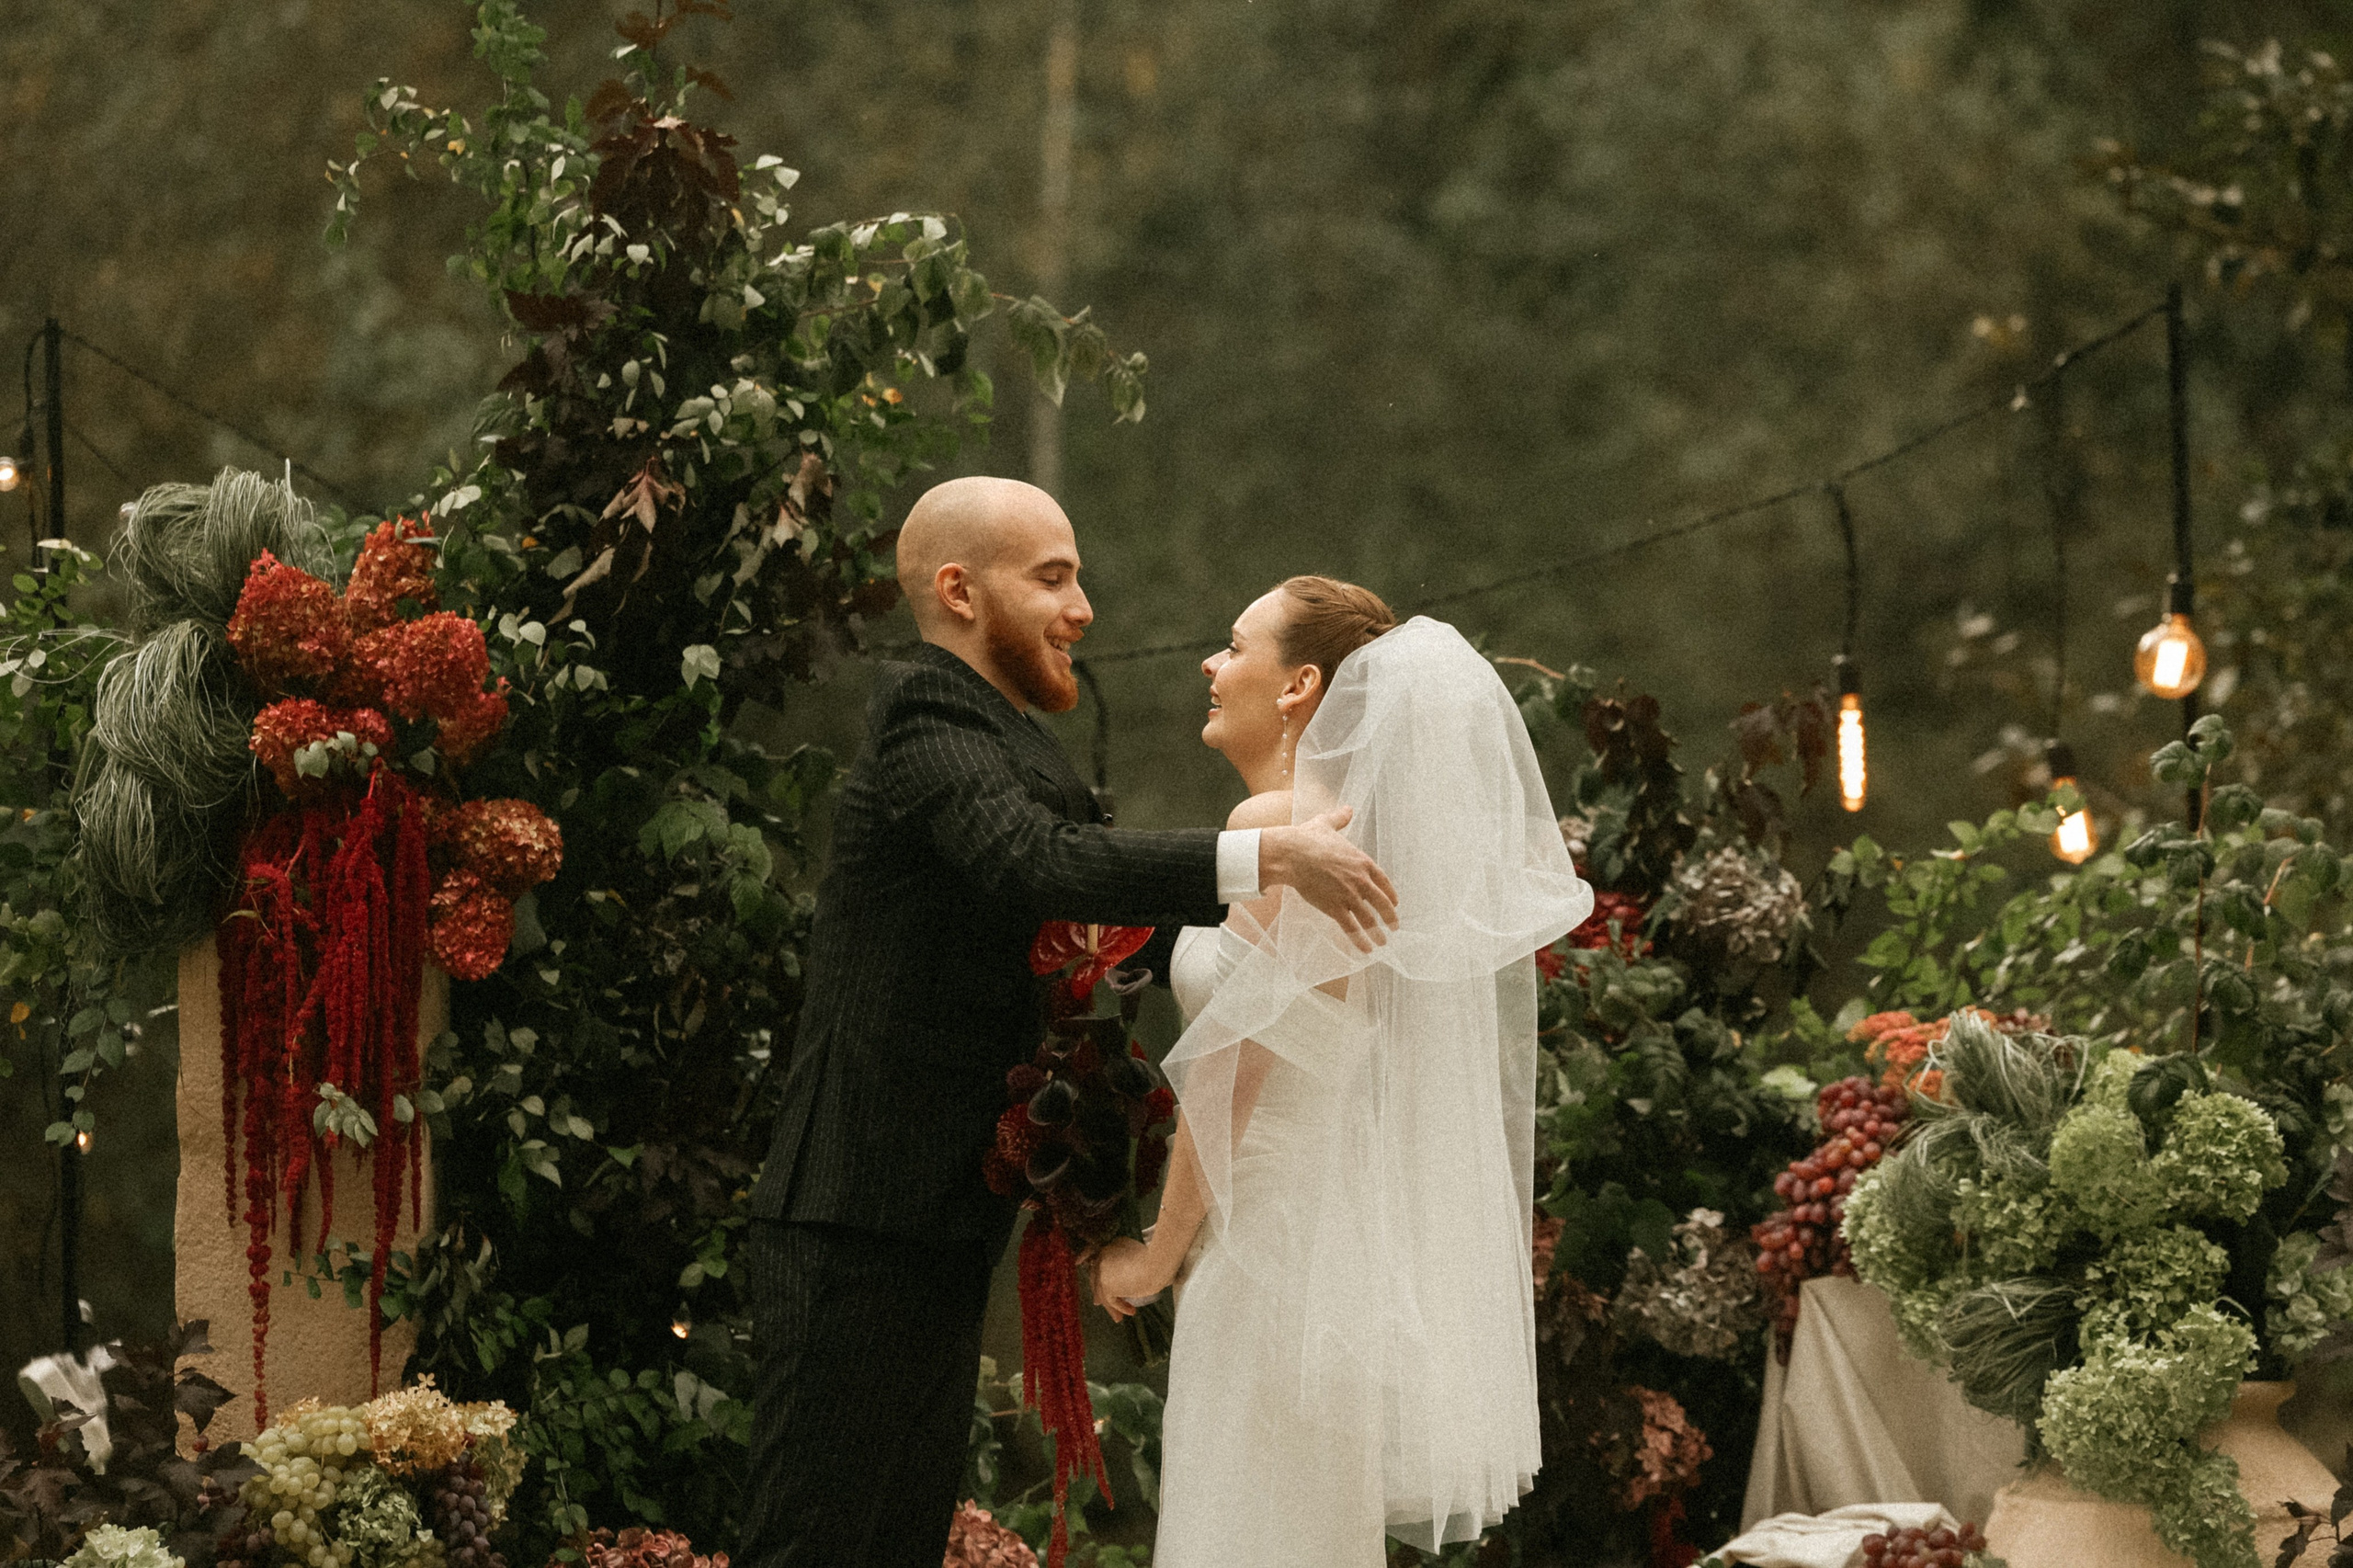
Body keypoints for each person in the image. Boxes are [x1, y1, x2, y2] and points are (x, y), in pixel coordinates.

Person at [738, 480, 1401, 1568]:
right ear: (957, 591)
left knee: (887, 1542)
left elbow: (1092, 939)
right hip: (858, 1211)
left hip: (941, 1217)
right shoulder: (926, 712)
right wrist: (1266, 859)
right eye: (1051, 576)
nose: (1084, 606)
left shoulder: (1017, 747)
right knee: (811, 1542)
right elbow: (1035, 865)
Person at [1090, 580, 1592, 1565]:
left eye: (1234, 646)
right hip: (1327, 1244)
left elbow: (1235, 1068)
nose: (1210, 664)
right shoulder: (1357, 829)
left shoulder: (1283, 825)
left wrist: (1153, 1253)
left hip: (1270, 1243)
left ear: (1298, 685)